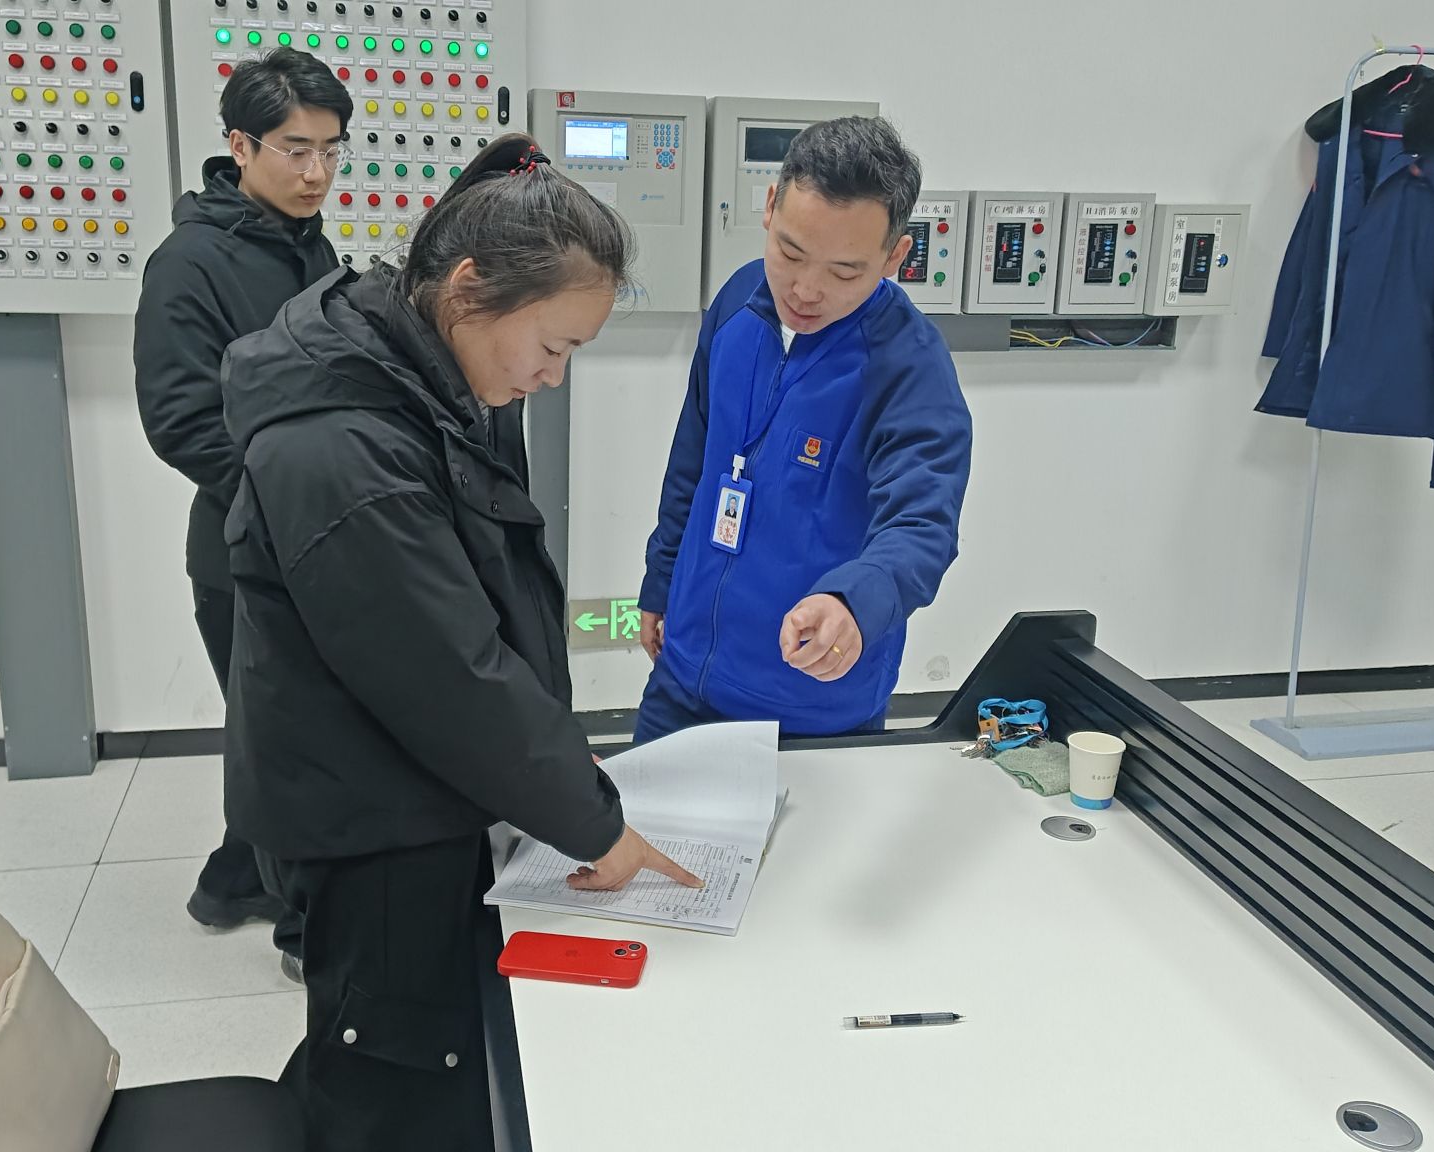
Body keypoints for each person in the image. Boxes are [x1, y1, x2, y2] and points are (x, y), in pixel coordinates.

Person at [219, 134, 701, 1152]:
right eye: (553, 347)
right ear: (470, 288)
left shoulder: (418, 366)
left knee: (436, 1052)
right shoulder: (344, 446)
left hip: (413, 783)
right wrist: (594, 825)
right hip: (367, 817)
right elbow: (449, 675)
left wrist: (557, 779)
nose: (553, 377)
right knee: (387, 1074)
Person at [634, 117, 973, 743]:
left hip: (812, 714)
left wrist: (855, 601)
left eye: (844, 272)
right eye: (790, 253)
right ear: (770, 207)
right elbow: (693, 460)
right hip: (681, 685)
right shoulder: (738, 302)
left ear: (894, 257)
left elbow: (922, 524)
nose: (806, 290)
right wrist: (661, 581)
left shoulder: (908, 367)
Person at [133, 46, 352, 981]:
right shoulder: (190, 263)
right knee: (296, 744)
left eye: (331, 151)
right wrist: (290, 497)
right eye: (296, 150)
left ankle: (236, 881)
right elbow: (180, 420)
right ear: (239, 145)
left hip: (317, 539)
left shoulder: (310, 247)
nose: (316, 172)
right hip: (246, 551)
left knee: (285, 735)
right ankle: (309, 932)